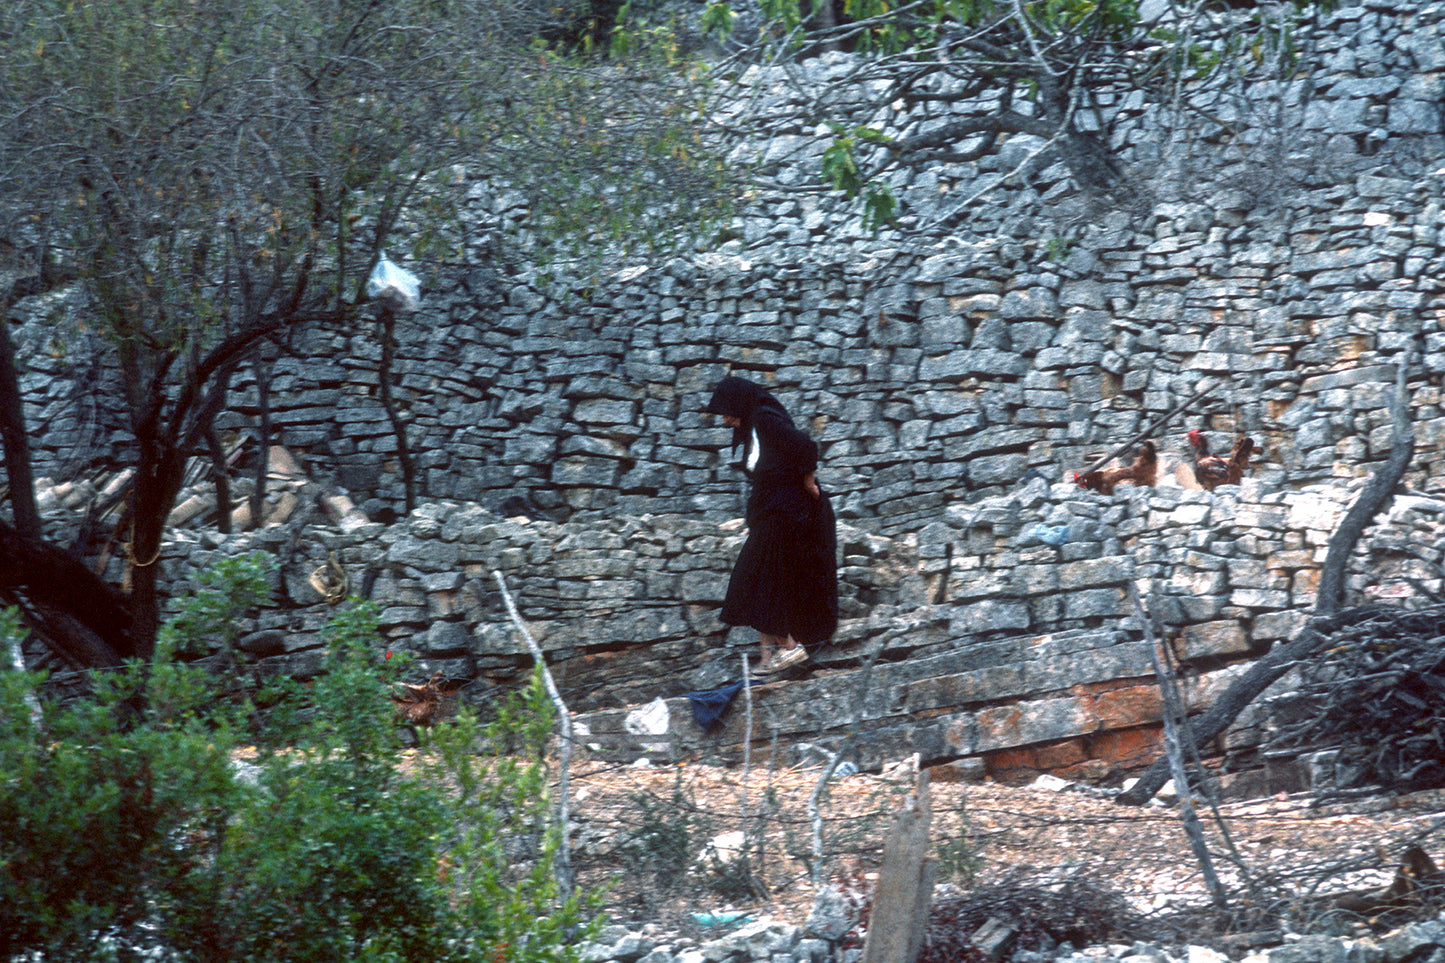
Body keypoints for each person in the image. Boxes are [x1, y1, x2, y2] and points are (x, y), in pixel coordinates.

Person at [703, 375, 838, 674]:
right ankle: (767, 658)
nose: (725, 420)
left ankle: (790, 648)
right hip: (770, 516)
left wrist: (809, 481)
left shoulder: (765, 419)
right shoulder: (753, 428)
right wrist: (754, 520)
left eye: (726, 412)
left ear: (739, 404)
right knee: (763, 581)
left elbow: (805, 446)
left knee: (752, 579)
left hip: (789, 515)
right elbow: (764, 479)